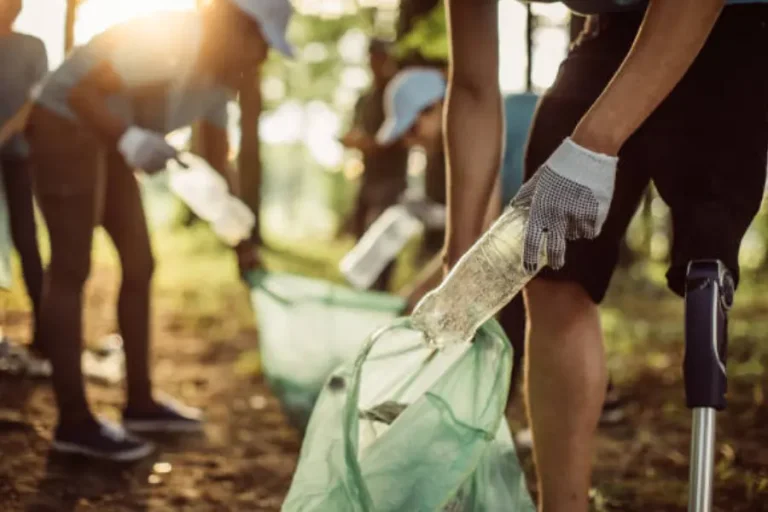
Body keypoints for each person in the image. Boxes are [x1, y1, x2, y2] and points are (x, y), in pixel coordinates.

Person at [444, 0, 767, 511]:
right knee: (550, 262)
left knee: (707, 252)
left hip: (732, 18)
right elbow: (472, 87)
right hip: (613, 30)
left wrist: (594, 144)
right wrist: (461, 258)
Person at [25, 0, 294, 461]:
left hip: (108, 139)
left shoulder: (219, 79)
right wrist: (130, 138)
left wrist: (240, 238)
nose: (262, 58)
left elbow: (214, 154)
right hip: (65, 124)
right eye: (262, 42)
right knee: (71, 268)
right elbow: (82, 93)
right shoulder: (173, 39)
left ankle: (141, 403)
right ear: (236, 23)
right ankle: (73, 421)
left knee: (140, 262)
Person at [0, 0, 49, 376]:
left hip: (18, 157)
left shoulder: (32, 47)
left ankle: (45, 335)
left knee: (26, 241)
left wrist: (6, 132)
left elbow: (38, 99)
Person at [339, 39, 409, 291]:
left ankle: (381, 288)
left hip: (392, 179)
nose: (375, 63)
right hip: (368, 177)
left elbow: (403, 136)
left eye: (380, 57)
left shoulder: (397, 95)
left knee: (384, 237)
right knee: (362, 235)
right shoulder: (365, 99)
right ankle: (362, 288)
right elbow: (357, 130)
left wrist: (372, 144)